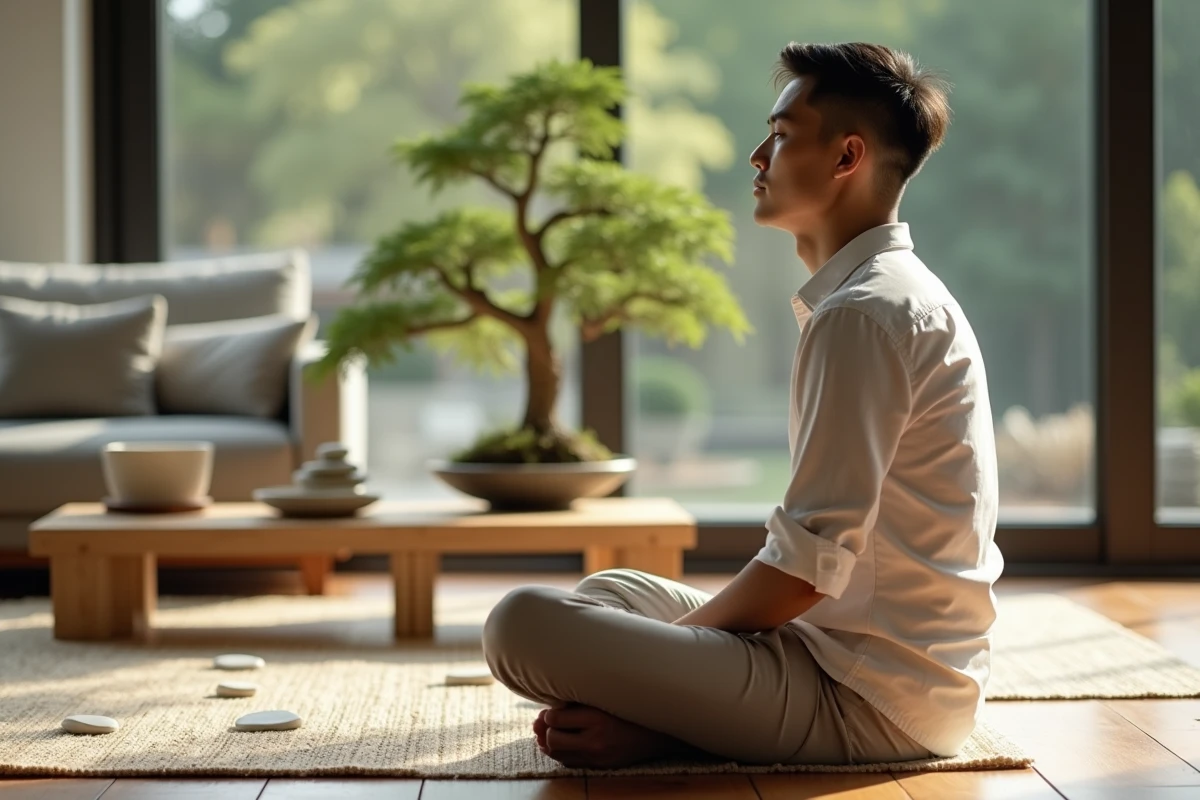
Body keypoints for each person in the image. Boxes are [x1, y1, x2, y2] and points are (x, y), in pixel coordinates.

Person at [482, 41, 1003, 769]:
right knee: (613, 591)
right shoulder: (886, 295)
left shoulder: (864, 313)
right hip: (841, 656)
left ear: (847, 157)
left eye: (783, 135)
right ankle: (671, 711)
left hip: (870, 698)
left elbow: (802, 569)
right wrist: (673, 658)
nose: (758, 156)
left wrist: (679, 657)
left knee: (519, 624)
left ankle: (665, 728)